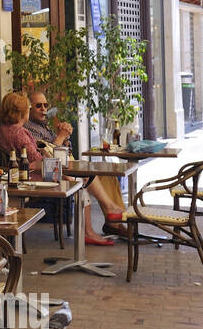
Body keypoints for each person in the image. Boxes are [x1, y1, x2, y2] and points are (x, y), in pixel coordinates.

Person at [22, 90, 128, 242]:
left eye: (46, 105)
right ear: (28, 109)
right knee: (85, 177)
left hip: (61, 168)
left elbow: (64, 150)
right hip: (47, 174)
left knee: (107, 176)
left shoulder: (43, 126)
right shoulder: (28, 129)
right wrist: (61, 137)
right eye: (38, 105)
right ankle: (108, 220)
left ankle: (114, 221)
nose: (44, 109)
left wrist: (64, 138)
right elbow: (45, 156)